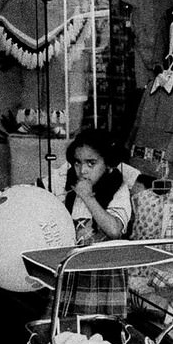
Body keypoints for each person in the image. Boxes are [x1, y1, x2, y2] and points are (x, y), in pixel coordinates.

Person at [61, 127, 132, 322]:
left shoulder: (119, 190)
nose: (82, 171)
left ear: (108, 164)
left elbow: (114, 230)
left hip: (104, 273)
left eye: (91, 163)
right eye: (77, 163)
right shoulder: (70, 189)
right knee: (70, 327)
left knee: (100, 330)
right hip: (73, 269)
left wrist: (88, 197)